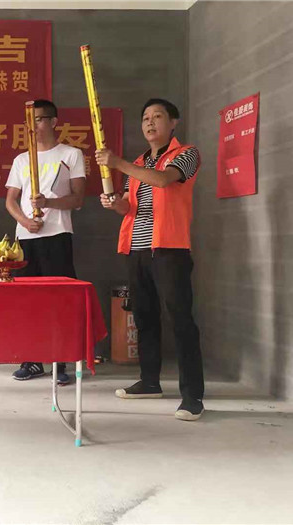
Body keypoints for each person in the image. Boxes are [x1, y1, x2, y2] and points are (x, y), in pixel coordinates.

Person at [96, 98, 204, 421]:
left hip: (170, 250)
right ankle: (149, 381)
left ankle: (192, 396)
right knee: (144, 316)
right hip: (138, 249)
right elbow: (128, 206)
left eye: (157, 116)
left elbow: (163, 180)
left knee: (181, 320)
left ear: (173, 123)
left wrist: (117, 163)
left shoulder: (187, 154)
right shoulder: (139, 162)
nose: (150, 122)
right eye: (145, 118)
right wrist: (113, 202)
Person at [5, 99, 86, 384]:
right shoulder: (21, 159)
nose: (34, 126)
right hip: (26, 238)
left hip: (57, 236)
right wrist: (25, 221)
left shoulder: (71, 154)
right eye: (30, 121)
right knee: (29, 301)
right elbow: (10, 200)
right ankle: (32, 360)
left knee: (59, 301)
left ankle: (60, 362)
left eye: (39, 119)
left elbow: (78, 198)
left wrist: (48, 202)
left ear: (53, 122)